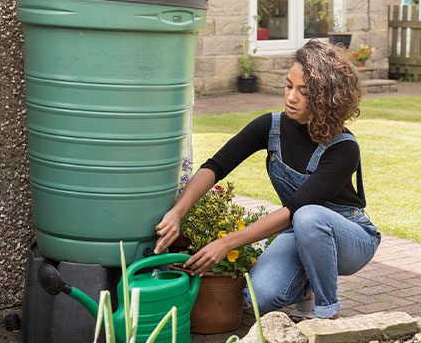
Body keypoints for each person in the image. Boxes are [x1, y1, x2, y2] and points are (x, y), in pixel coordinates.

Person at [153, 39, 381, 321]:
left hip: (351, 236)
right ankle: (305, 289)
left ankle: (327, 313)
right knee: (258, 296)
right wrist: (177, 211)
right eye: (288, 86)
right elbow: (216, 165)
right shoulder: (271, 127)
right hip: (299, 228)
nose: (291, 97)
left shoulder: (343, 148)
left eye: (304, 91)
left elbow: (295, 210)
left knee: (309, 216)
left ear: (326, 96)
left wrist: (226, 243)